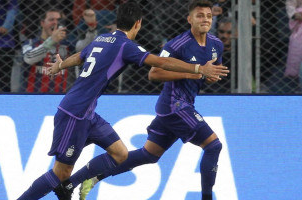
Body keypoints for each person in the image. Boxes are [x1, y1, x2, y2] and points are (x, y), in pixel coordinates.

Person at [17, 2, 229, 200]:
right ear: (138, 24)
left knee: (120, 153)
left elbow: (81, 55)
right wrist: (198, 69)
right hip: (75, 113)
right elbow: (160, 63)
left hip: (88, 112)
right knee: (60, 173)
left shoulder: (102, 38)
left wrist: (60, 66)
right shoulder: (126, 46)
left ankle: (76, 184)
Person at [79, 1, 225, 200]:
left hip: (181, 106)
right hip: (174, 105)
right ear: (189, 19)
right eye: (200, 15)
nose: (205, 19)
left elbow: (212, 72)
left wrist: (211, 76)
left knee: (149, 155)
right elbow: (154, 73)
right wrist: (193, 74)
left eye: (208, 16)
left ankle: (94, 176)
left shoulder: (216, 44)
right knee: (213, 146)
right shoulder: (177, 44)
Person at [21, 8, 75, 93]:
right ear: (42, 23)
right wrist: (51, 41)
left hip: (61, 96)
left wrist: (91, 29)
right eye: (51, 19)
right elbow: (28, 58)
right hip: (33, 95)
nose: (55, 22)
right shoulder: (30, 42)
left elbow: (83, 49)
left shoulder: (66, 44)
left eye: (58, 20)